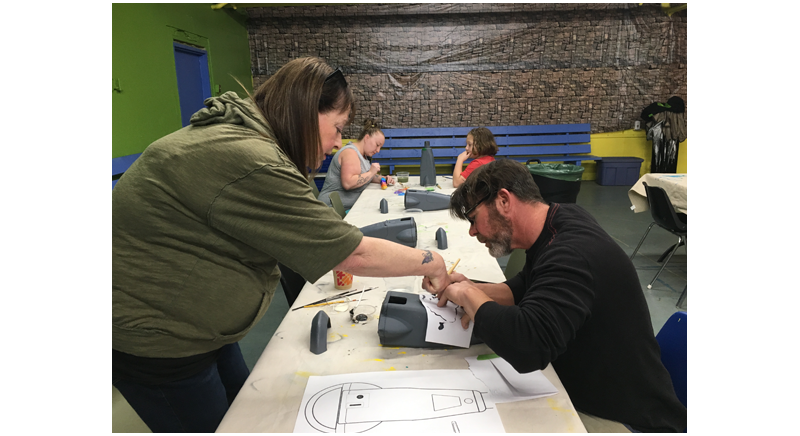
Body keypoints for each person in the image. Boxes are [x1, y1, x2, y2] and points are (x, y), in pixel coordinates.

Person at [112, 57, 452, 433]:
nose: (339, 142)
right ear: (306, 111)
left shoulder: (243, 136)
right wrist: (431, 262)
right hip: (158, 340)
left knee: (242, 415)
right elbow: (351, 252)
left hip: (200, 327)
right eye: (337, 127)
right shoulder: (251, 159)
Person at [427, 159, 687, 432]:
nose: (472, 231)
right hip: (590, 390)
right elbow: (523, 288)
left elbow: (529, 346)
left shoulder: (571, 253)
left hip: (622, 417)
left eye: (472, 218)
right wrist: (471, 288)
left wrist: (469, 295)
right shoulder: (558, 222)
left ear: (504, 200)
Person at [317, 118, 394, 210]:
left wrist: (383, 178)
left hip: (346, 208)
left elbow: (365, 176)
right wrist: (371, 172)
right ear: (366, 138)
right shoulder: (350, 153)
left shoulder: (363, 156)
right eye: (377, 145)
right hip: (332, 210)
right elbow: (348, 183)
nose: (378, 150)